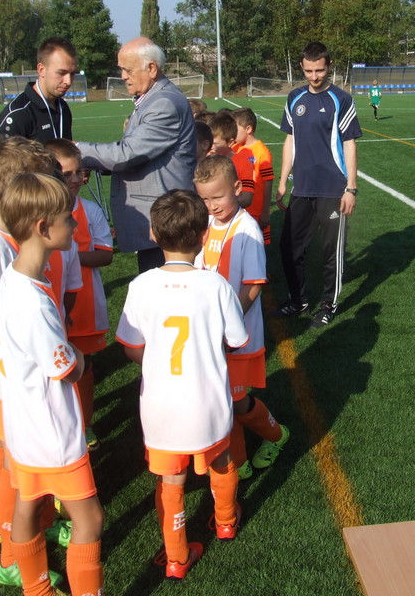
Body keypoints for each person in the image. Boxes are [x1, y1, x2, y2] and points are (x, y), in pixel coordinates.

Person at [116, 189, 247, 581]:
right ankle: (225, 520)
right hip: (208, 401)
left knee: (170, 479)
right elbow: (237, 340)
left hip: (161, 406)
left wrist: (156, 362)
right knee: (220, 459)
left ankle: (176, 556)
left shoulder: (140, 285)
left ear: (154, 234)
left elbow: (131, 347)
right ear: (204, 235)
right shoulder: (216, 286)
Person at [0, 138, 78, 587]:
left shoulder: (13, 245)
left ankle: (34, 534)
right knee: (11, 476)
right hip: (11, 387)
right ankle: (12, 558)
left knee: (26, 476)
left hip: (24, 384)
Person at [0, 172, 103, 596]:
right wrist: (79, 356)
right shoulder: (34, 301)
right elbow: (66, 368)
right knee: (89, 519)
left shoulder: (16, 278)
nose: (74, 224)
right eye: (67, 217)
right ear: (43, 228)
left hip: (23, 422)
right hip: (52, 430)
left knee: (28, 503)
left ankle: (35, 589)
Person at [194, 155, 290, 480]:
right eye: (204, 199)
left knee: (234, 400)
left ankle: (277, 435)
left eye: (217, 197)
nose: (211, 206)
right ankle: (239, 460)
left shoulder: (247, 230)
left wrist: (226, 326)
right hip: (211, 335)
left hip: (236, 336)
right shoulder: (207, 225)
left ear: (237, 188)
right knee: (221, 401)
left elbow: (253, 286)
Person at [77, 37, 196, 273]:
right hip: (159, 218)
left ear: (151, 68)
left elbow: (127, 154)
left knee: (164, 288)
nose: (123, 76)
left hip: (165, 221)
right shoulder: (155, 99)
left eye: (128, 70)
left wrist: (76, 151)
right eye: (121, 69)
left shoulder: (164, 103)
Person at [276, 41, 362, 328]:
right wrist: (283, 180)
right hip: (302, 187)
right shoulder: (294, 98)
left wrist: (351, 188)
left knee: (330, 253)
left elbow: (349, 144)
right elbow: (290, 140)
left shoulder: (341, 99)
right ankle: (298, 299)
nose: (314, 76)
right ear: (302, 67)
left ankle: (328, 305)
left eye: (320, 70)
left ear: (329, 67)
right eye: (309, 71)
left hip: (333, 189)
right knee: (289, 248)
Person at [46, 138, 114, 452]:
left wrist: (71, 255)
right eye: (66, 174)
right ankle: (55, 423)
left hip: (84, 304)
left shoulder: (90, 210)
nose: (75, 179)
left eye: (79, 173)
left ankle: (84, 424)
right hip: (50, 304)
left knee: (83, 367)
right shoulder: (39, 212)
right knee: (52, 368)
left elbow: (105, 255)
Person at [0, 38, 75, 144]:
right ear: (41, 70)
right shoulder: (18, 114)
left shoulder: (63, 107)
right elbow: (3, 155)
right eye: (61, 73)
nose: (68, 81)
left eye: (72, 74)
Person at [232, 107, 274, 245]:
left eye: (235, 128)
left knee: (256, 245)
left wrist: (265, 212)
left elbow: (268, 183)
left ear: (248, 129)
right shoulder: (235, 148)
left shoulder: (262, 152)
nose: (231, 132)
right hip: (240, 208)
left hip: (256, 211)